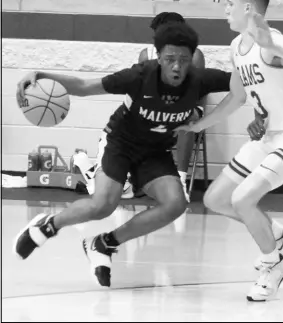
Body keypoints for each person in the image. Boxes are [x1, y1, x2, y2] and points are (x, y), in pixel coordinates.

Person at [13, 22, 232, 288]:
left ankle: (104, 244)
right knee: (103, 205)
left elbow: (245, 82)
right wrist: (42, 73)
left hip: (155, 152)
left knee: (176, 203)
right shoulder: (139, 76)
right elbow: (84, 86)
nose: (177, 66)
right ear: (158, 56)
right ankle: (47, 225)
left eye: (184, 60)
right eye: (170, 59)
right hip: (120, 142)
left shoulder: (201, 80)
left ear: (192, 61)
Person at [176, 0, 283, 302]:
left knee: (243, 199)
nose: (225, 10)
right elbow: (236, 98)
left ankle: (273, 264)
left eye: (229, 4)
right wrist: (198, 125)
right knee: (214, 200)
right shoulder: (235, 47)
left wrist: (271, 44)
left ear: (249, 7)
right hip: (269, 135)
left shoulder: (271, 41)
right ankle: (278, 233)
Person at [123, 11, 206, 201]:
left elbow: (198, 90)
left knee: (187, 119)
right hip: (155, 107)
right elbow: (140, 86)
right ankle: (134, 177)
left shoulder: (194, 55)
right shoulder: (147, 53)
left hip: (187, 106)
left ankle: (181, 180)